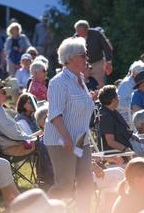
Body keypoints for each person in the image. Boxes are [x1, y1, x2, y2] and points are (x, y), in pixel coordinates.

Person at [43, 37, 94, 211]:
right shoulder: (58, 82)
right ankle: (40, 208)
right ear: (70, 58)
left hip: (82, 140)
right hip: (62, 140)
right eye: (83, 54)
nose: (86, 57)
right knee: (65, 184)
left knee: (86, 182)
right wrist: (66, 139)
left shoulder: (80, 80)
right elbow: (55, 114)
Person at [0, 79, 38, 156]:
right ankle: (50, 168)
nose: (6, 95)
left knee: (41, 140)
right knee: (42, 143)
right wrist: (30, 138)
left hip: (8, 145)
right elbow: (12, 133)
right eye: (3, 92)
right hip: (11, 147)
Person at [98, 85, 138, 152]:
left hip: (127, 144)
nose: (119, 99)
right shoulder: (105, 117)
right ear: (113, 100)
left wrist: (133, 136)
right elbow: (110, 142)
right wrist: (126, 149)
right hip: (117, 153)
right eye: (118, 97)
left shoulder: (113, 111)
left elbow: (123, 129)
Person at [73, 20, 113, 86]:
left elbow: (107, 48)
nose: (78, 34)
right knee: (82, 85)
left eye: (80, 32)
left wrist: (108, 62)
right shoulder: (75, 38)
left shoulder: (97, 34)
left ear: (86, 29)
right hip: (84, 66)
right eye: (77, 31)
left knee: (100, 84)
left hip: (98, 63)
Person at [117, 60, 144, 126]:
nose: (142, 77)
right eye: (140, 74)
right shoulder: (125, 84)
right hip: (127, 115)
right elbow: (122, 102)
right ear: (133, 73)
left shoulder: (141, 82)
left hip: (138, 112)